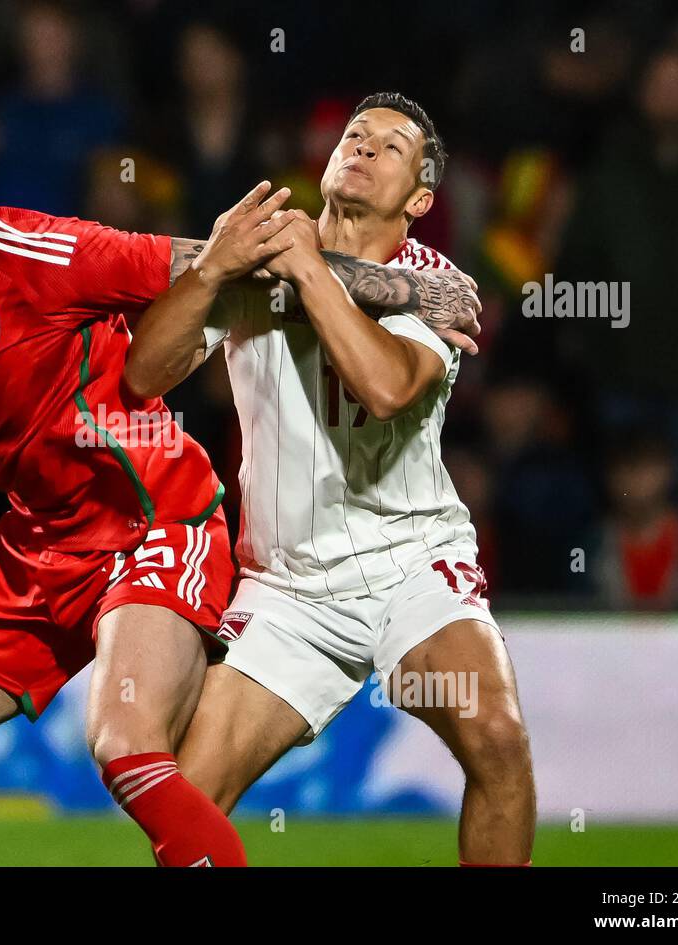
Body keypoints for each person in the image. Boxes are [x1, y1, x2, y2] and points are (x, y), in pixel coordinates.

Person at [0, 78, 481, 866]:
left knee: (125, 747)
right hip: (40, 548)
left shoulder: (29, 251)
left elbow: (216, 262)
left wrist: (412, 289)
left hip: (156, 522)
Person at [126, 93, 534, 866]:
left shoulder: (430, 287)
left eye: (390, 147)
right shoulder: (251, 258)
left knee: (497, 738)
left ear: (420, 197)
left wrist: (307, 271)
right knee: (188, 801)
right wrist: (214, 268)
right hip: (289, 590)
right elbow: (145, 376)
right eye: (355, 136)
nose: (364, 149)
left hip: (413, 566)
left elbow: (384, 388)